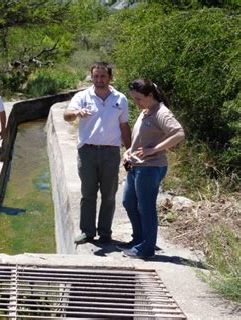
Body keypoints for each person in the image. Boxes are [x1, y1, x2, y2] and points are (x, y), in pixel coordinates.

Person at [64, 62, 131, 245]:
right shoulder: (82, 96)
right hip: (88, 152)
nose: (99, 80)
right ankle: (87, 232)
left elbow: (124, 126)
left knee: (109, 194)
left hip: (111, 152)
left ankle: (105, 233)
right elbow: (67, 115)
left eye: (103, 76)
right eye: (95, 76)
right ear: (91, 76)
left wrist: (129, 149)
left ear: (110, 77)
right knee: (88, 194)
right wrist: (76, 112)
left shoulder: (120, 99)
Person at [119, 79, 185, 259]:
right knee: (128, 202)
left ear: (150, 95)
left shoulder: (161, 113)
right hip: (136, 166)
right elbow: (141, 138)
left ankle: (147, 249)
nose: (136, 103)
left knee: (146, 208)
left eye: (139, 99)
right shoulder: (146, 110)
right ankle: (140, 240)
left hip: (150, 168)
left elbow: (179, 133)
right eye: (133, 99)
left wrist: (154, 150)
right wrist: (128, 153)